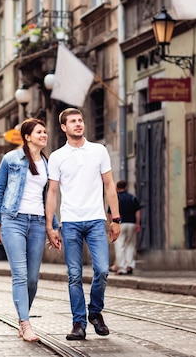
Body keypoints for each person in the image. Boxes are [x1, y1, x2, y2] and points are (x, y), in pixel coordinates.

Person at [45, 108, 121, 341]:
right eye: (73, 122)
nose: (78, 124)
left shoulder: (98, 150)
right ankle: (78, 323)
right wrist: (51, 226)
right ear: (64, 127)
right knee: (74, 275)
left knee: (102, 270)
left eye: (80, 120)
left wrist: (115, 218)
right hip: (70, 223)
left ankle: (95, 312)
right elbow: (53, 192)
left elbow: (109, 185)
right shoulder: (57, 156)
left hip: (97, 220)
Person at [0, 118, 57, 342]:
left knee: (32, 279)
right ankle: (25, 323)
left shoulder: (48, 163)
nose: (44, 135)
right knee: (19, 275)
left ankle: (22, 317)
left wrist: (52, 227)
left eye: (45, 132)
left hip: (37, 223)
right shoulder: (11, 158)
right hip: (13, 220)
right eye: (39, 132)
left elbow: (50, 198)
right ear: (27, 137)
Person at [108, 180, 141, 275]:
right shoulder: (132, 198)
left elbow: (110, 213)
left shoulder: (116, 198)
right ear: (126, 187)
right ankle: (129, 265)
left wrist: (112, 223)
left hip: (120, 223)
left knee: (119, 245)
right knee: (130, 245)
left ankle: (122, 267)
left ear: (117, 188)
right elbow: (137, 212)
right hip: (131, 223)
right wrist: (137, 223)